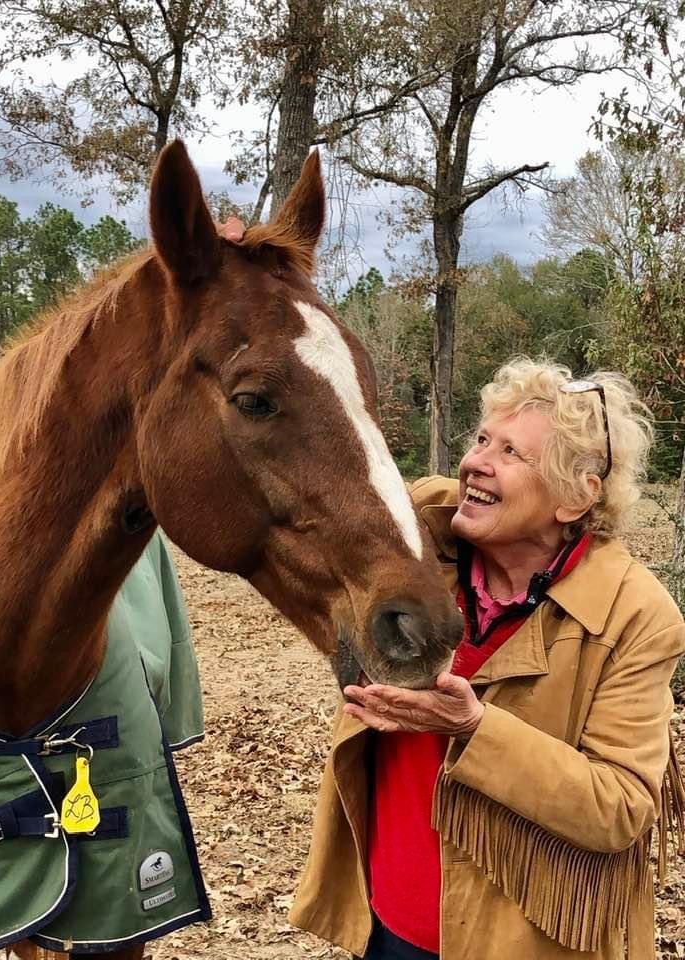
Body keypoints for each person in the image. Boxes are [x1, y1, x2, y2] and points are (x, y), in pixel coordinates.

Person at [289, 358, 685, 960]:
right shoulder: (420, 541)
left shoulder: (634, 615)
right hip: (388, 923)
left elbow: (620, 805)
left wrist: (474, 728)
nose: (476, 461)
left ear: (576, 498)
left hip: (529, 939)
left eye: (511, 453)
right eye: (480, 440)